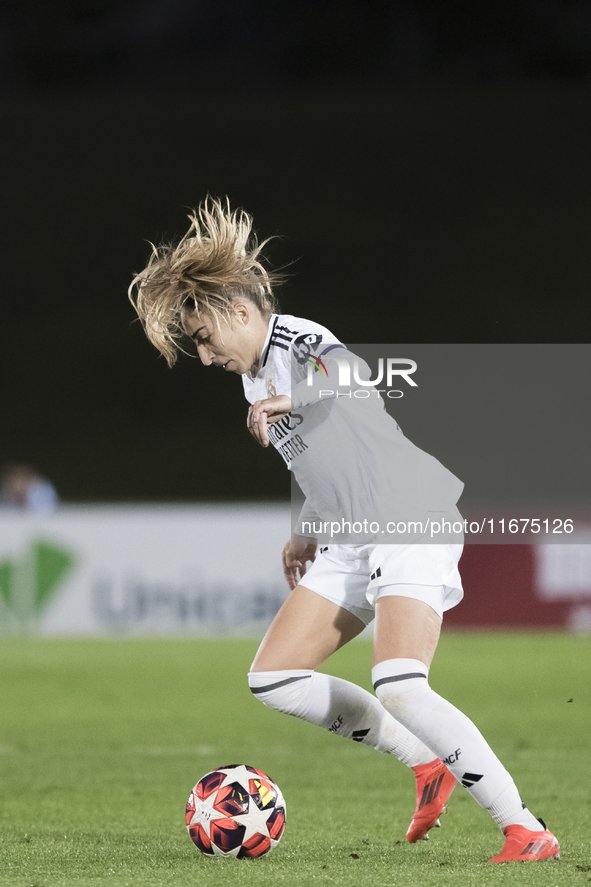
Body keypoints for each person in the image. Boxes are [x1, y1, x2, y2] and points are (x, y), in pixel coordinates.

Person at [128, 198, 559, 863]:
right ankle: (425, 762)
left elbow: (351, 375)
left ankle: (524, 827)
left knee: (400, 682)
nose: (206, 356)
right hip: (350, 531)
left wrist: (291, 397)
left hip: (407, 514)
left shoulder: (297, 340)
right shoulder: (252, 381)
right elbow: (320, 451)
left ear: (239, 313)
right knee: (273, 678)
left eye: (206, 339)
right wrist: (304, 524)